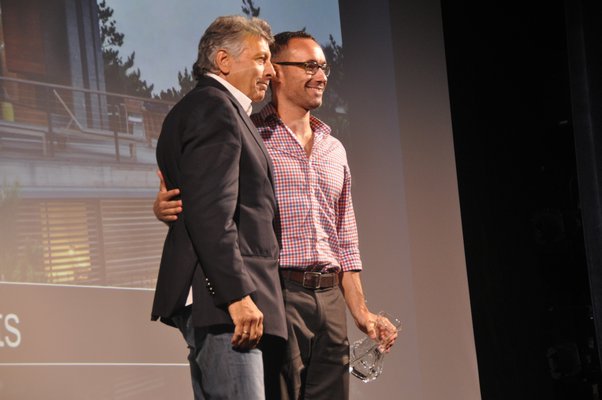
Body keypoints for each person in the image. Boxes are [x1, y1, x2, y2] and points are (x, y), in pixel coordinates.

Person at [155, 31, 397, 400]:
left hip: (329, 298)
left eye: (325, 67)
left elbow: (345, 238)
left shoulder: (335, 149)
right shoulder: (248, 131)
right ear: (278, 73)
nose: (321, 75)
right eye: (310, 66)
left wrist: (362, 313)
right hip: (276, 289)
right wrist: (168, 203)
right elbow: (209, 194)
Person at [151, 16, 287, 400]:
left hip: (221, 305)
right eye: (261, 59)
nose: (271, 71)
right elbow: (211, 212)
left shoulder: (209, 107)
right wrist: (236, 296)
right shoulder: (215, 108)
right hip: (224, 307)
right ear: (224, 61)